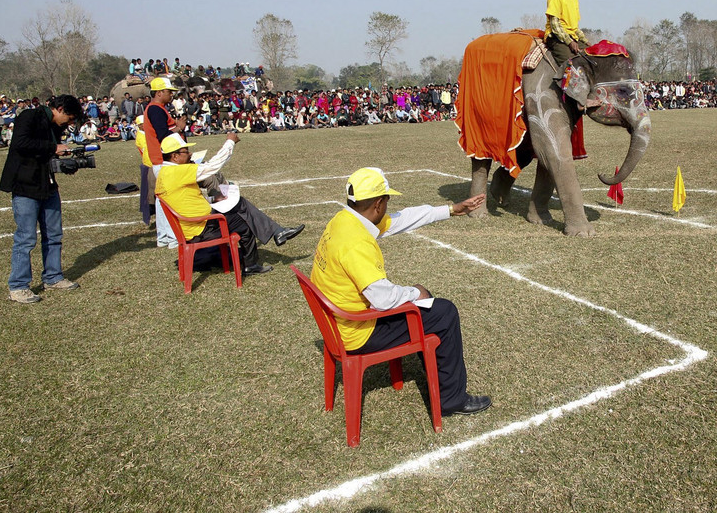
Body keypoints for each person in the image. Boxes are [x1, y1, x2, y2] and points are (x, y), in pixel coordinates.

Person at [310, 168, 491, 416]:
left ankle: (433, 368)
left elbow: (402, 218)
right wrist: (416, 292)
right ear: (378, 203)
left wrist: (452, 209)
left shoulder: (344, 220)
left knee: (430, 308)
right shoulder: (356, 242)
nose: (387, 206)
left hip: (338, 322)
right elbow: (383, 299)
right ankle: (451, 399)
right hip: (357, 332)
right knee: (444, 311)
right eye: (386, 200)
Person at [155, 133, 304, 275]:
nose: (190, 154)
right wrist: (230, 141)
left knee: (241, 206)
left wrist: (213, 200)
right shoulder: (177, 172)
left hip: (193, 225)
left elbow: (185, 200)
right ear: (174, 156)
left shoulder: (165, 173)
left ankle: (276, 233)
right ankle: (260, 253)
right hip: (201, 228)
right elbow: (214, 165)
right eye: (185, 151)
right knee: (245, 219)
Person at [0, 94, 84, 303]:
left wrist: (62, 160)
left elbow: (44, 153)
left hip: (47, 185)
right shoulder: (29, 116)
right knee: (26, 238)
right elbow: (20, 143)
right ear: (60, 109)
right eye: (70, 118)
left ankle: (53, 277)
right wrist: (52, 148)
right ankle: (18, 286)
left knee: (54, 235)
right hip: (25, 185)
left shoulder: (55, 127)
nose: (70, 123)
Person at [144, 77, 186, 248]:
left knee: (162, 200)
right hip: (163, 160)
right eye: (169, 92)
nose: (171, 95)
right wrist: (179, 128)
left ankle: (164, 236)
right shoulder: (155, 109)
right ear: (159, 92)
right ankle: (172, 236)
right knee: (169, 198)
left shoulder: (157, 109)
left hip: (159, 159)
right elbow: (163, 135)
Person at [544, 0, 590, 67]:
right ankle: (560, 82)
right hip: (556, 38)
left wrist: (585, 41)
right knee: (572, 65)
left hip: (572, 36)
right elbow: (555, 26)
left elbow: (574, 27)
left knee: (592, 56)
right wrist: (569, 42)